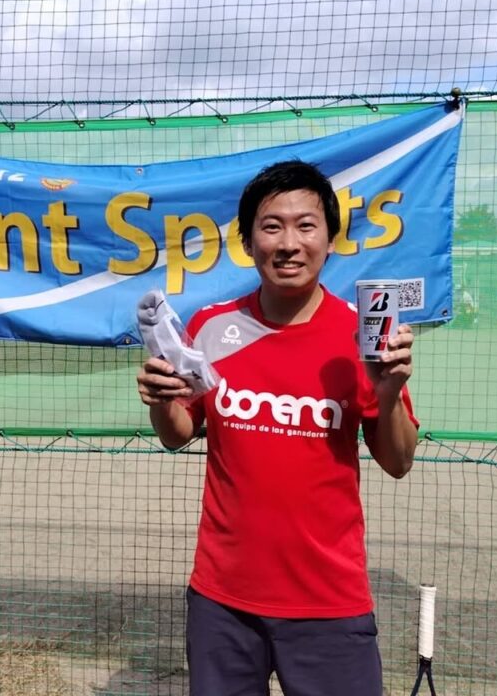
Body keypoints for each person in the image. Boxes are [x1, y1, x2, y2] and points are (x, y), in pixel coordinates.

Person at [136, 160, 419, 696]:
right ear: (248, 242)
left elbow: (399, 462)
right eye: (272, 227)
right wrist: (161, 399)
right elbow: (177, 433)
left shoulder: (360, 337)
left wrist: (387, 393)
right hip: (222, 599)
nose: (289, 243)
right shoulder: (211, 326)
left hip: (329, 601)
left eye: (306, 226)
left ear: (330, 241)